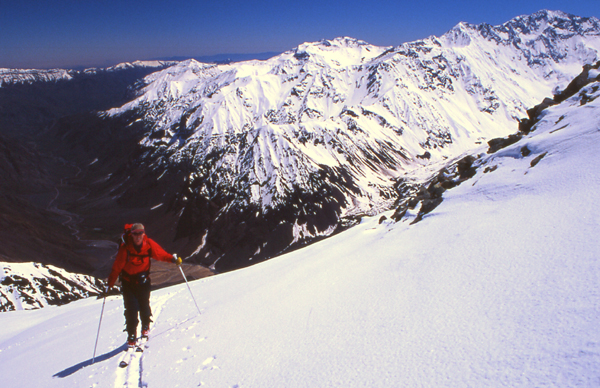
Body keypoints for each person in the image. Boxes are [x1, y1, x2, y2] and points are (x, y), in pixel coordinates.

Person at [107, 223, 182, 346]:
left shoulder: (149, 244)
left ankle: (145, 326)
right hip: (128, 284)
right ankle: (131, 334)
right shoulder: (125, 248)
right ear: (131, 234)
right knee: (131, 309)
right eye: (135, 234)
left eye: (140, 233)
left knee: (144, 305)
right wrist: (110, 284)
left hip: (143, 282)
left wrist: (172, 259)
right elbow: (117, 267)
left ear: (144, 233)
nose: (138, 236)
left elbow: (160, 254)